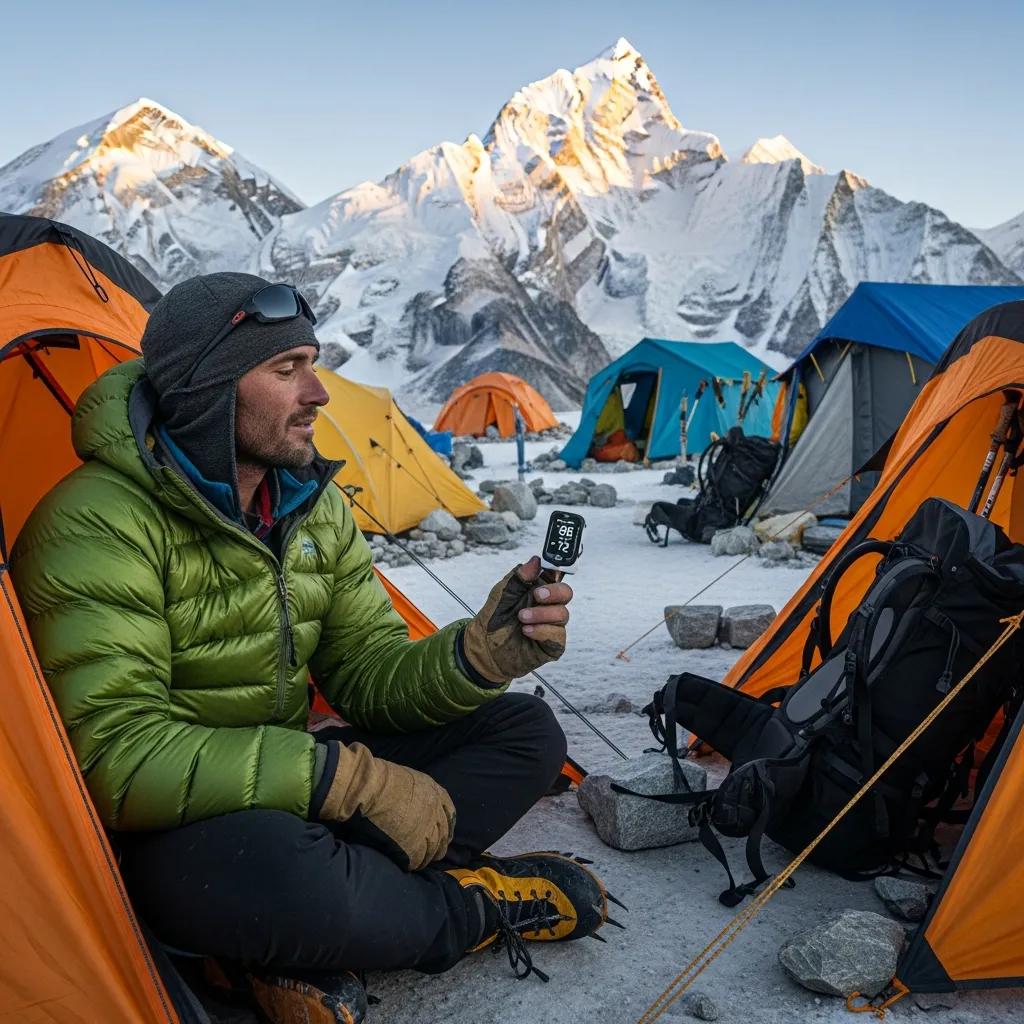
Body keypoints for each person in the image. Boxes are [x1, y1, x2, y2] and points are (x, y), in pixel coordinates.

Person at [11, 273, 615, 1024]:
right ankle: (465, 909)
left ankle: (300, 942)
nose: (319, 393)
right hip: (176, 830)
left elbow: (365, 675)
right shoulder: (96, 525)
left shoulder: (309, 505)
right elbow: (117, 757)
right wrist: (345, 782)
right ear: (208, 388)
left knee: (525, 732)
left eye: (313, 363)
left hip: (290, 791)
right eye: (286, 369)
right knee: (272, 873)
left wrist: (476, 657)